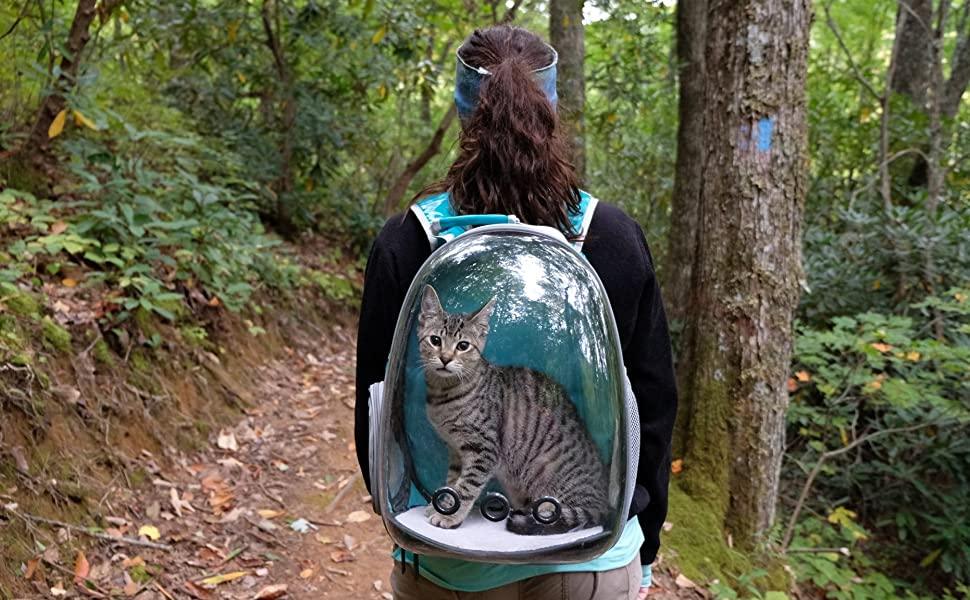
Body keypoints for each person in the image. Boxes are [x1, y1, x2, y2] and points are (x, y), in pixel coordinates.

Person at [355, 25, 677, 600]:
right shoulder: (613, 237)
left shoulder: (407, 239)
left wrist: (401, 519)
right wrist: (644, 545)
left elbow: (375, 412)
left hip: (448, 563)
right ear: (550, 110)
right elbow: (651, 409)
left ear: (460, 114)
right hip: (593, 561)